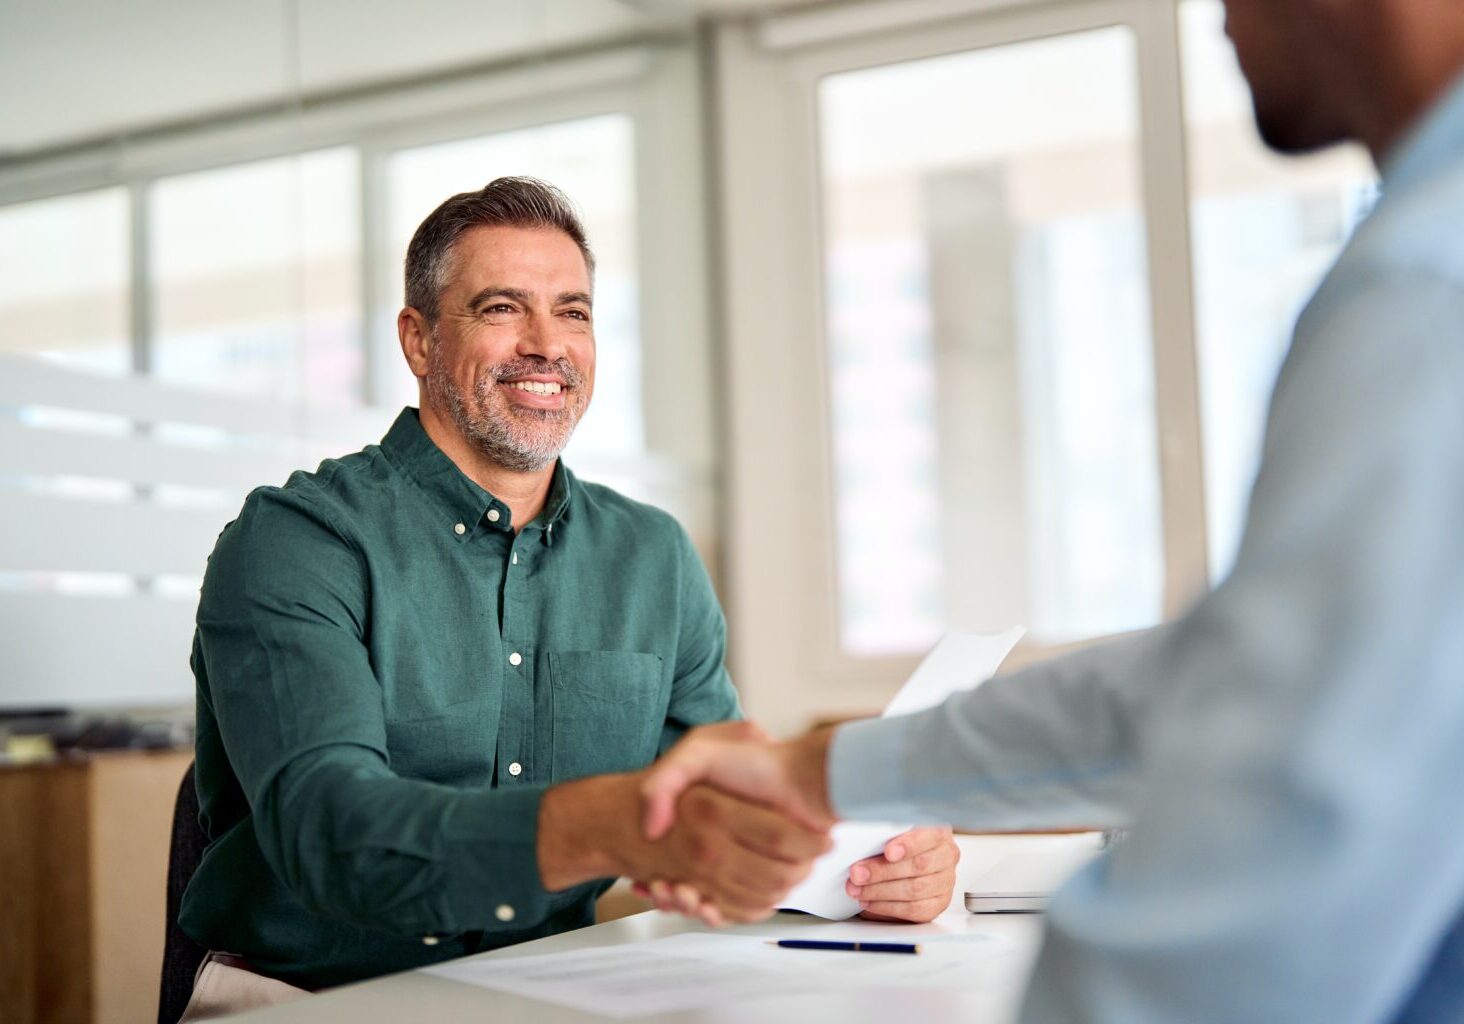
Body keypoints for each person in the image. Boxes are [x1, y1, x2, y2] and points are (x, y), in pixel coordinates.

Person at [638, 1, 1464, 1020]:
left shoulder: (1426, 284)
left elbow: (1270, 866)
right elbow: (1223, 680)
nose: (1217, 22)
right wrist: (827, 771)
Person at [179, 177, 955, 1017]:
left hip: (551, 985)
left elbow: (723, 810)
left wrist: (874, 863)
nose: (548, 344)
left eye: (575, 312)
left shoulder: (651, 555)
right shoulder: (297, 541)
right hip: (307, 998)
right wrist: (605, 822)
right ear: (419, 339)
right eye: (502, 308)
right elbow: (330, 836)